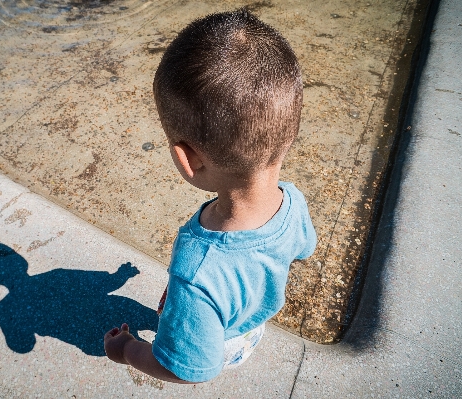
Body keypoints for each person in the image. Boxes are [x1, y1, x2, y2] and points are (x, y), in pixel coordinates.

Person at [104, 8, 317, 384]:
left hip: (224, 346)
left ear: (187, 160)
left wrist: (128, 351)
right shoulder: (292, 201)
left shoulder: (197, 269)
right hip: (252, 325)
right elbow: (302, 249)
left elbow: (187, 370)